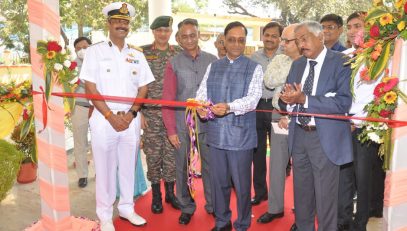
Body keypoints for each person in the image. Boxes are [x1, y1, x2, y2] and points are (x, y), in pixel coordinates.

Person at [80, 2, 154, 230]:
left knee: (128, 165)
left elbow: (143, 88)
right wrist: (111, 116)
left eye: (125, 22)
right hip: (104, 120)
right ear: (109, 24)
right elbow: (91, 88)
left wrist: (132, 114)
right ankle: (104, 215)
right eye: (117, 21)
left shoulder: (137, 54)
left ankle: (126, 208)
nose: (122, 25)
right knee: (104, 169)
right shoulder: (95, 51)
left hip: (130, 120)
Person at [279, 21, 352, 231]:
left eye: (304, 38)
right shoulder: (298, 64)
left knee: (325, 199)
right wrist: (287, 99)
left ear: (320, 37)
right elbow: (286, 98)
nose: (301, 45)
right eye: (298, 40)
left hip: (324, 138)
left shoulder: (342, 61)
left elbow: (342, 102)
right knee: (302, 197)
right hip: (298, 135)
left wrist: (305, 99)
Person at [196, 21, 263, 231]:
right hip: (216, 134)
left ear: (245, 42)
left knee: (242, 186)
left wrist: (230, 107)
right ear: (223, 41)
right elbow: (202, 93)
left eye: (241, 40)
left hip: (240, 137)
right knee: (219, 184)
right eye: (232, 40)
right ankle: (222, 222)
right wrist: (201, 106)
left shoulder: (254, 67)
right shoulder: (214, 66)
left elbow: (253, 99)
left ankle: (242, 223)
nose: (236, 44)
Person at [162, 18, 217, 225]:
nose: (189, 39)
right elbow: (167, 98)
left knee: (212, 166)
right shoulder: (173, 63)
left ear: (198, 34)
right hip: (182, 125)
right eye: (184, 36)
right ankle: (186, 206)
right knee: (182, 167)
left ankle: (213, 205)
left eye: (192, 35)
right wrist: (171, 131)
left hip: (209, 124)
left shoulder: (213, 60)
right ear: (178, 39)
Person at [337, 11, 383, 231]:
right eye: (350, 26)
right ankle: (343, 220)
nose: (353, 30)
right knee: (343, 175)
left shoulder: (379, 57)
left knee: (362, 178)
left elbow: (378, 94)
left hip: (363, 127)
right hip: (340, 125)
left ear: (369, 28)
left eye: (358, 25)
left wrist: (358, 120)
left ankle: (360, 222)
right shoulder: (343, 56)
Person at [257, 24, 301, 224]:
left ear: (300, 40)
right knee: (276, 165)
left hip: (303, 119)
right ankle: (275, 208)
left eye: (286, 40)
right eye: (281, 40)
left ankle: (303, 213)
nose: (282, 44)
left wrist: (295, 70)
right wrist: (292, 71)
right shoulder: (280, 59)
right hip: (279, 115)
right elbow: (269, 80)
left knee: (302, 167)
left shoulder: (310, 61)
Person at [141, 15, 183, 214]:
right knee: (153, 154)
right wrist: (138, 112)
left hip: (172, 115)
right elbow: (137, 84)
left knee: (171, 155)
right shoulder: (143, 53)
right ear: (153, 32)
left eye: (166, 30)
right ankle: (156, 194)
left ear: (171, 32)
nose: (163, 34)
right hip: (150, 114)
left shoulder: (179, 53)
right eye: (159, 30)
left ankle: (170, 193)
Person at [250, 21, 283, 206]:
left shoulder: (286, 57)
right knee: (258, 153)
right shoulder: (254, 57)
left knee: (278, 155)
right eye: (267, 35)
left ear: (280, 38)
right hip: (257, 107)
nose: (269, 39)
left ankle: (276, 197)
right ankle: (260, 192)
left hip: (278, 108)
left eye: (273, 35)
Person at [72, 36, 92, 188]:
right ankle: (82, 175)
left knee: (100, 142)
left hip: (99, 109)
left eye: (85, 47)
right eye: (78, 48)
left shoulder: (100, 62)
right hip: (80, 107)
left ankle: (101, 172)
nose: (82, 50)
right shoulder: (70, 66)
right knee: (80, 143)